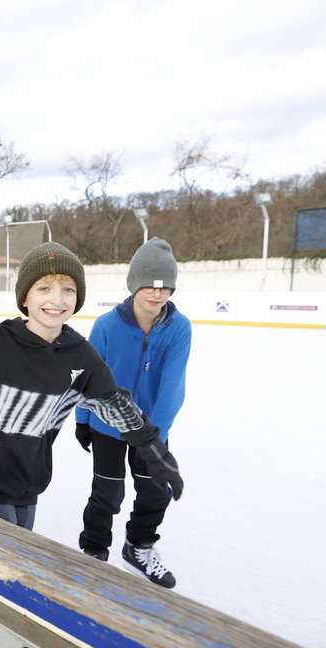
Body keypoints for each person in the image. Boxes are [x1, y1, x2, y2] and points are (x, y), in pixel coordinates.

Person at [0, 245, 183, 532]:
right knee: (0, 568)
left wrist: (152, 446)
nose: (57, 299)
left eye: (68, 289)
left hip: (29, 488)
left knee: (14, 568)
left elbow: (112, 402)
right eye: (44, 288)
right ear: (24, 297)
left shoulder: (80, 356)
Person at [75, 238, 191, 588]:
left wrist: (153, 438)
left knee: (157, 492)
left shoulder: (179, 328)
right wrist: (82, 421)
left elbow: (172, 387)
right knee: (107, 494)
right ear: (133, 285)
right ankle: (94, 551)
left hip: (152, 429)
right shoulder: (107, 325)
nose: (157, 295)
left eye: (164, 287)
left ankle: (138, 546)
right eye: (149, 286)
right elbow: (85, 378)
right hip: (106, 426)